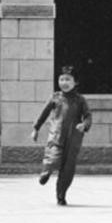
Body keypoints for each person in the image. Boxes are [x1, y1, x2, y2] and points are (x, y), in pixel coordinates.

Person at [31, 65, 92, 206]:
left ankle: (61, 195)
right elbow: (43, 114)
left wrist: (84, 125)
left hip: (73, 139)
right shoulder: (55, 97)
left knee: (68, 169)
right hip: (56, 135)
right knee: (53, 157)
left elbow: (88, 116)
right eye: (61, 79)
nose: (64, 82)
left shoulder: (80, 100)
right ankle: (46, 171)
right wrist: (36, 128)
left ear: (75, 82)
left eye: (68, 79)